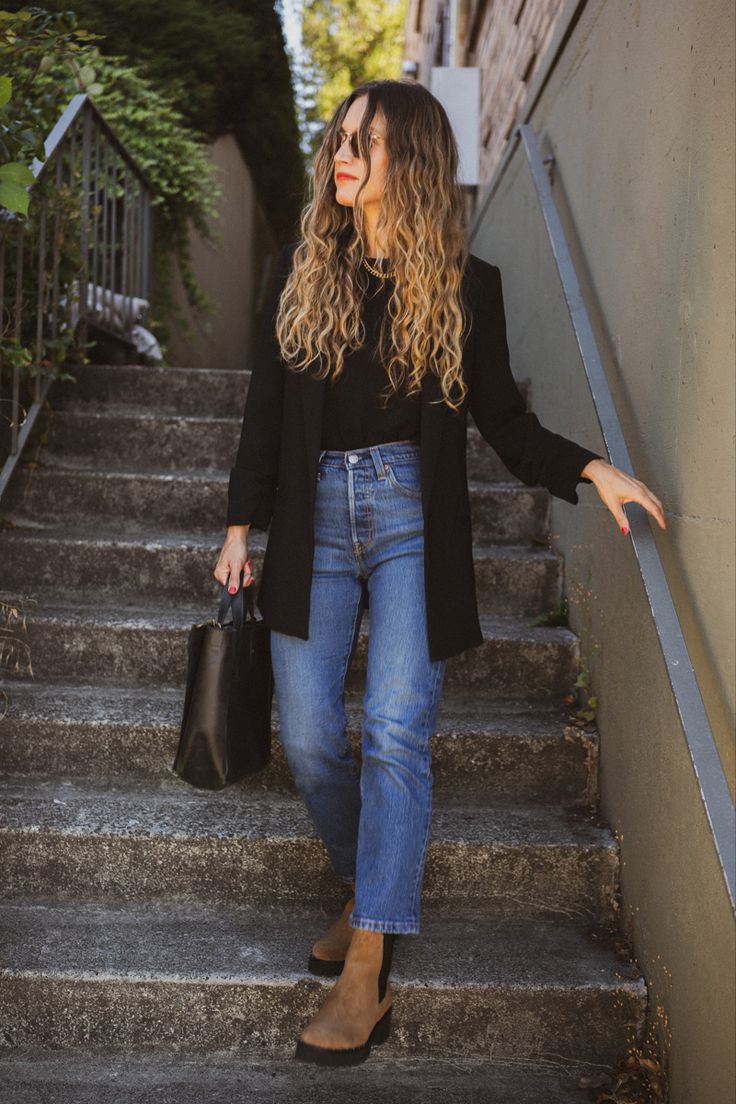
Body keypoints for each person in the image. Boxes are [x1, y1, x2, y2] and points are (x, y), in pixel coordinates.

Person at [213, 79, 666, 1068]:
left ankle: (366, 966)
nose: (344, 153)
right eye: (340, 137)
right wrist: (240, 525)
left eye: (366, 142)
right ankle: (364, 881)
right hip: (314, 519)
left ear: (406, 161)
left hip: (414, 516)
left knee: (393, 726)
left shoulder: (466, 285)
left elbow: (501, 419)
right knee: (311, 738)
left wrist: (591, 468)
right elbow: (262, 414)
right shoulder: (298, 273)